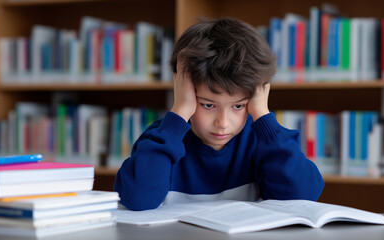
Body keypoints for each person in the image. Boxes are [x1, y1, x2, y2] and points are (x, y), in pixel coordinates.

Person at [114, 17, 324, 211]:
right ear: (182, 88)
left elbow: (302, 197)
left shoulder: (262, 142)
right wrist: (180, 111)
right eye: (208, 105)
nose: (223, 123)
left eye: (238, 106)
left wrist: (262, 114)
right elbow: (136, 199)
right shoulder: (161, 140)